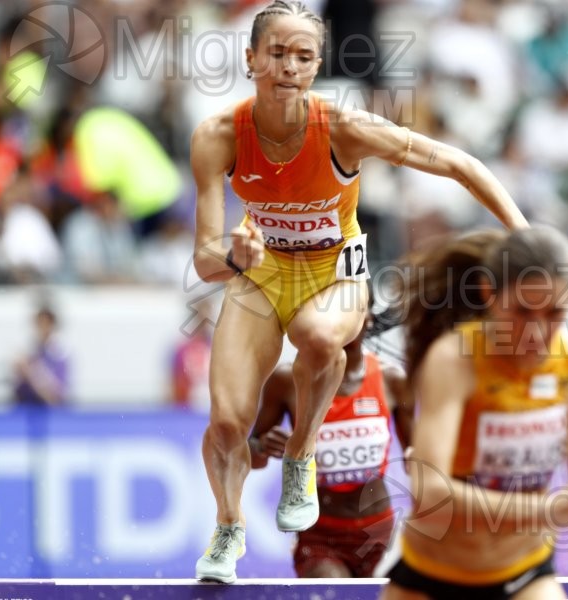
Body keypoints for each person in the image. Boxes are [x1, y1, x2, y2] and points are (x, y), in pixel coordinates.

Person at [190, 0, 528, 584]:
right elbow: (203, 257)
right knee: (225, 420)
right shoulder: (218, 135)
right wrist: (233, 256)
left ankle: (300, 454)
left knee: (318, 335)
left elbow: (458, 164)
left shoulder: (344, 127)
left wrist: (524, 237)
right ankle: (227, 526)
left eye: (303, 56)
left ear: (316, 66)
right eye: (277, 53)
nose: (290, 67)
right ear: (250, 59)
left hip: (337, 274)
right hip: (263, 273)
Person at [380, 227, 568, 600]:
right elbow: (430, 492)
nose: (536, 332)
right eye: (522, 311)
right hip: (431, 579)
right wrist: (546, 510)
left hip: (524, 575)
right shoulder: (455, 360)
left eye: (554, 313)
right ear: (490, 294)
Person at [248, 309, 413, 578]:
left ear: (367, 319)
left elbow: (416, 458)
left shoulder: (392, 379)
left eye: (350, 311)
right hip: (321, 535)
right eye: (332, 313)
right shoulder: (286, 380)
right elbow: (251, 458)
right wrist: (262, 447)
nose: (340, 323)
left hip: (380, 532)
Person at [14, 305, 69, 407]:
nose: (42, 329)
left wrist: (31, 374)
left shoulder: (59, 356)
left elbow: (55, 398)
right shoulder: (29, 352)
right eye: (39, 324)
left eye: (46, 324)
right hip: (25, 410)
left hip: (47, 412)